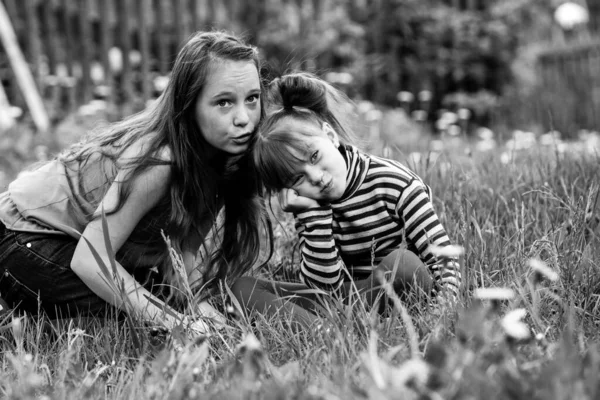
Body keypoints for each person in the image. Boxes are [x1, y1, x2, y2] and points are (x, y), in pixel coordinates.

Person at [0, 31, 272, 334]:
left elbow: (184, 250)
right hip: (23, 236)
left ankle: (31, 316)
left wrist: (198, 306)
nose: (244, 118)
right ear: (189, 104)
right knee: (138, 315)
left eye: (252, 99)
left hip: (75, 247)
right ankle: (17, 323)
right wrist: (176, 324)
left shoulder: (224, 157)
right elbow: (92, 259)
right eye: (224, 103)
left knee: (153, 299)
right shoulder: (159, 161)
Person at [232, 72, 460, 328]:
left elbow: (443, 259)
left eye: (314, 157)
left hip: (393, 287)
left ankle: (345, 326)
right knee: (240, 287)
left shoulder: (395, 183)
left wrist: (443, 306)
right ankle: (325, 331)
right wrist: (315, 216)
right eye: (298, 178)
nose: (315, 177)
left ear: (330, 136)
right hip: (344, 298)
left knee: (403, 262)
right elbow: (323, 288)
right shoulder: (308, 203)